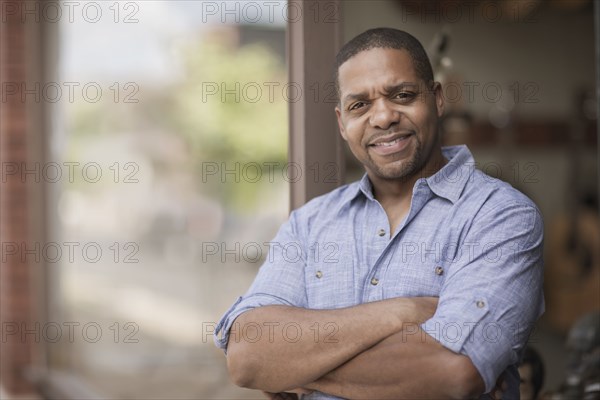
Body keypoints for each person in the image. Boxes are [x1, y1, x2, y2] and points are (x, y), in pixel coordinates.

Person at [214, 27, 544, 399]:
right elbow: (247, 356)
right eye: (360, 105)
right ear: (342, 123)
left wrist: (295, 369)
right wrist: (401, 313)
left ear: (436, 99)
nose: (383, 117)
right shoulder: (309, 224)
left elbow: (452, 373)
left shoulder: (500, 216)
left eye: (401, 95)